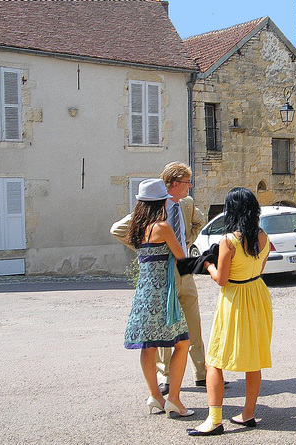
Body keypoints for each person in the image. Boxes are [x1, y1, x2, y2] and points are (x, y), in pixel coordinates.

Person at [111, 162, 208, 393]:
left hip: (182, 276)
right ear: (174, 184)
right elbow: (117, 229)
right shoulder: (152, 216)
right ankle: (166, 378)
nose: (190, 186)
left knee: (193, 324)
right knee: (166, 330)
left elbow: (198, 221)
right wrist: (147, 249)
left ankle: (201, 374)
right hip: (166, 274)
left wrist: (188, 239)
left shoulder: (187, 204)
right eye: (187, 182)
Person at [187, 187, 273, 436]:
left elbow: (222, 279)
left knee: (215, 359)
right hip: (257, 295)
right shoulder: (264, 236)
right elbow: (260, 267)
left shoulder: (228, 241)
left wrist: (207, 264)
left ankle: (214, 420)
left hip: (234, 300)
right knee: (253, 359)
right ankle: (248, 413)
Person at [123, 179, 194, 417]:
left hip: (143, 291)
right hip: (163, 291)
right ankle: (173, 398)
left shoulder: (135, 227)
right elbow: (181, 256)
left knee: (148, 345)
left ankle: (155, 395)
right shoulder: (162, 227)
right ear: (160, 202)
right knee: (182, 342)